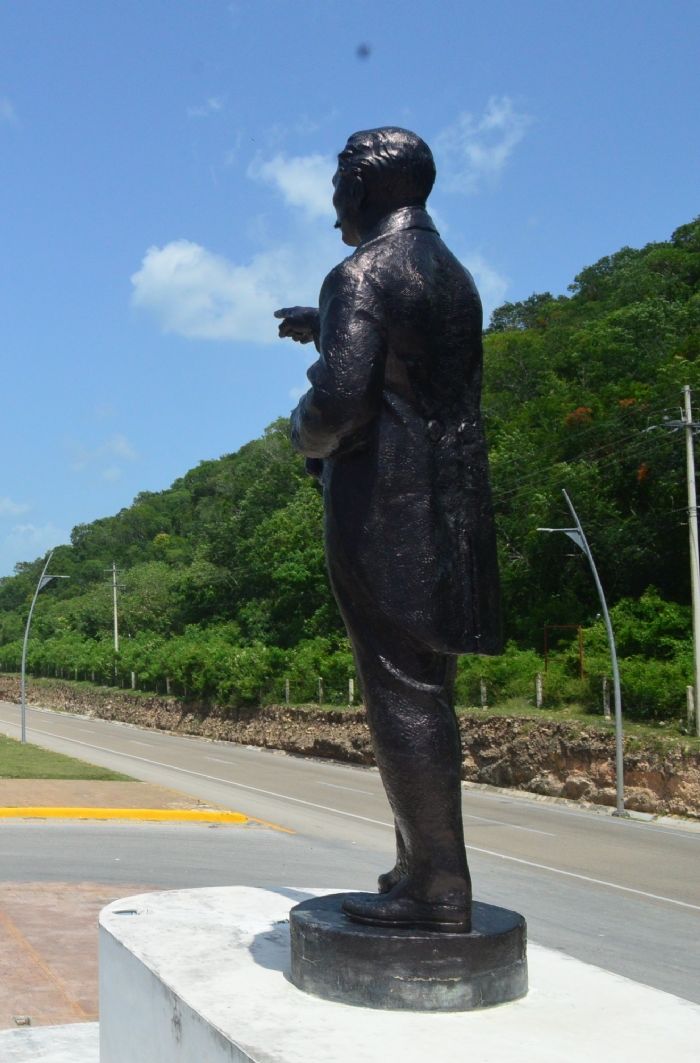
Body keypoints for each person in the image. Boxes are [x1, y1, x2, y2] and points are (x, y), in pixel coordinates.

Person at [277, 127, 502, 934]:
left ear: (367, 187)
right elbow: (410, 352)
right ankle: (421, 863)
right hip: (449, 507)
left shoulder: (361, 274)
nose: (334, 198)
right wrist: (328, 321)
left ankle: (436, 886)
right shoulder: (450, 273)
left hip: (383, 508)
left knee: (398, 688)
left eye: (341, 180)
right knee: (424, 682)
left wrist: (299, 430)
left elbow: (340, 403)